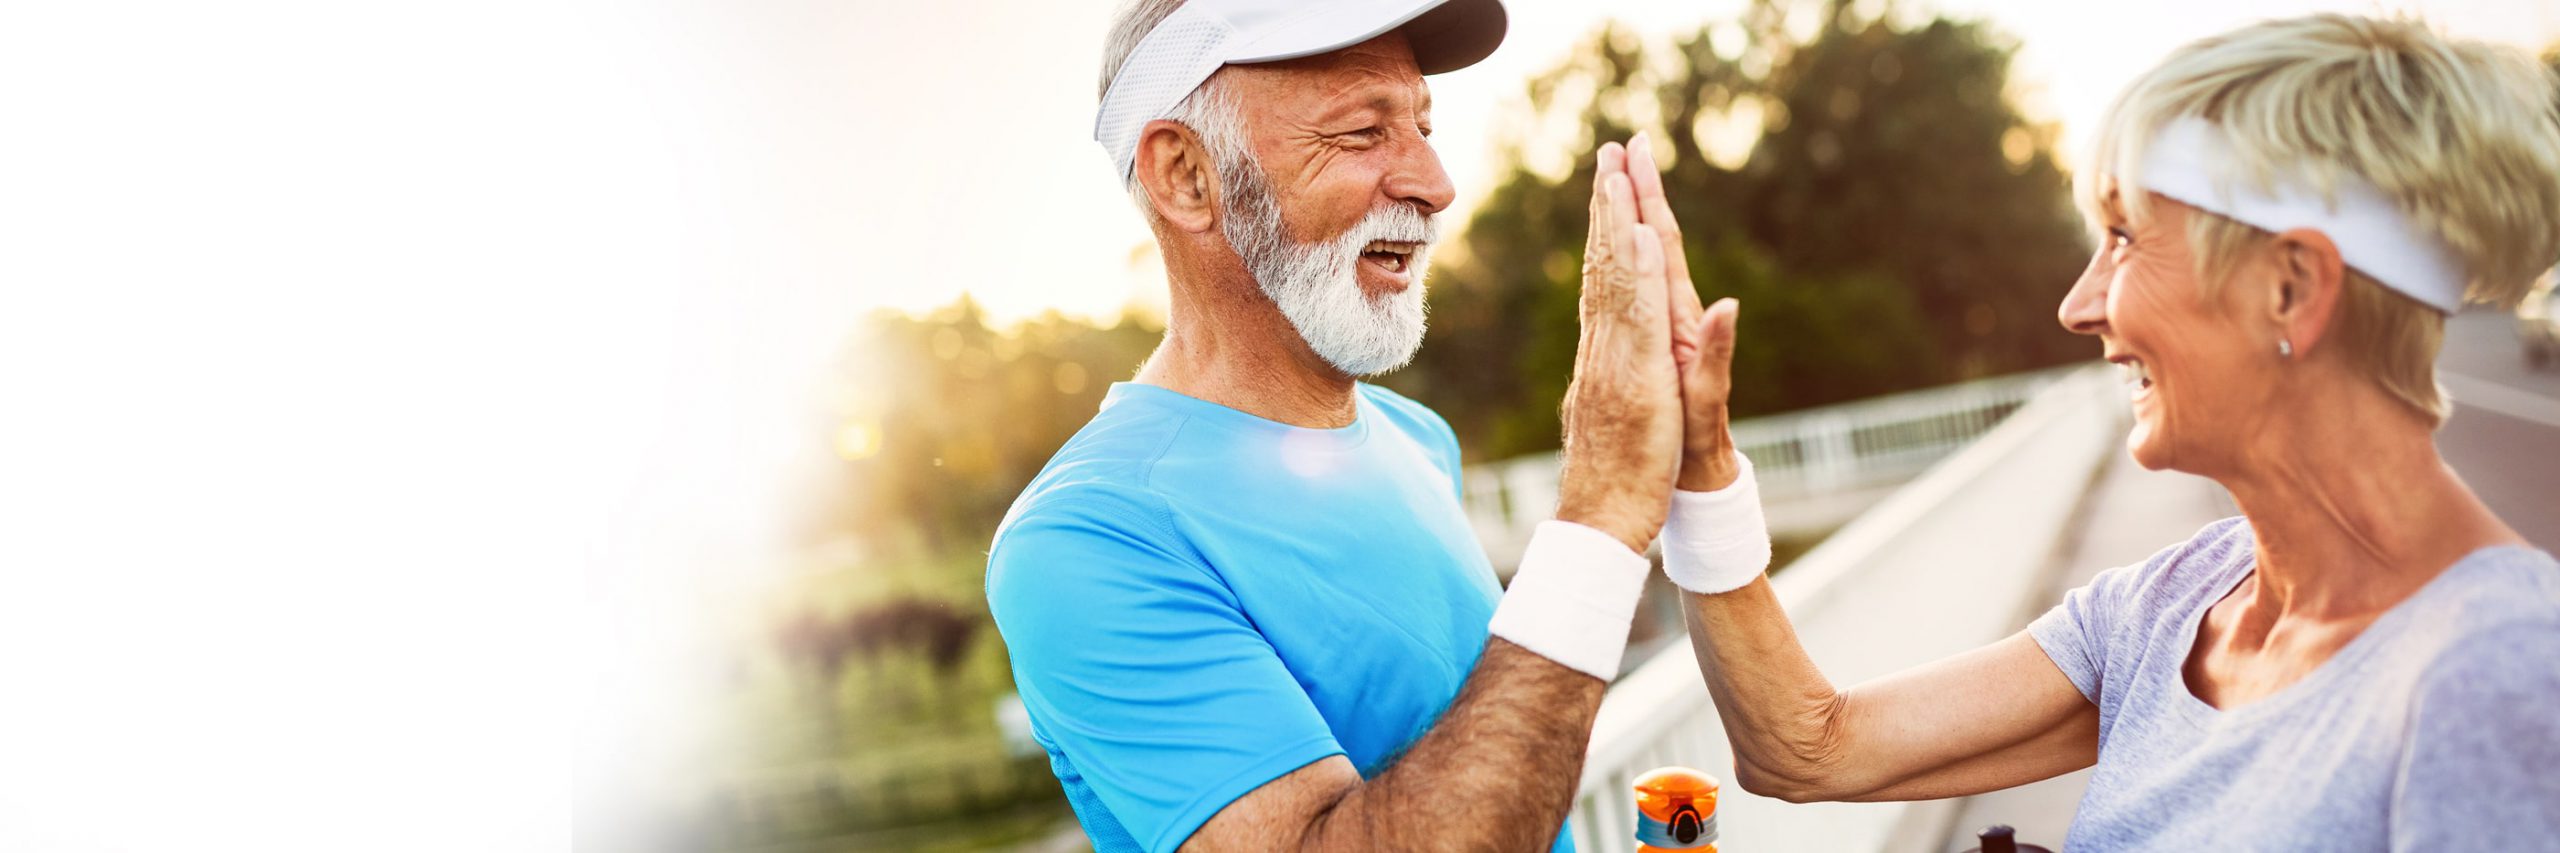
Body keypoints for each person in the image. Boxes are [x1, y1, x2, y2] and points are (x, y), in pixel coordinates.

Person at [1647, 14, 2560, 850]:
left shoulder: (2501, 675)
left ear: (2291, 288)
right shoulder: (2171, 605)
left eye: (2124, 238)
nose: (2079, 306)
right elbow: (1806, 747)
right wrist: (1701, 466)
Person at [984, 0, 1726, 850]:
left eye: (1422, 125)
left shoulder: (1416, 437)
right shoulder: (1086, 541)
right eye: (1362, 134)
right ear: (1185, 173)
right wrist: (1600, 512)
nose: (1435, 182)